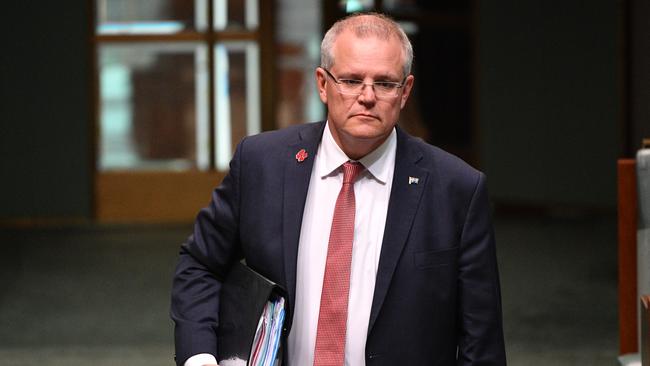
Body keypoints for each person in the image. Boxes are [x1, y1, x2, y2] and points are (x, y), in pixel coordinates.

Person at [171, 12, 506, 366]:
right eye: (350, 80)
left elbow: (480, 340)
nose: (367, 96)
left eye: (385, 83)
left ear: (405, 91)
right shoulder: (262, 164)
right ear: (322, 83)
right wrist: (200, 358)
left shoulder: (456, 188)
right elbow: (201, 264)